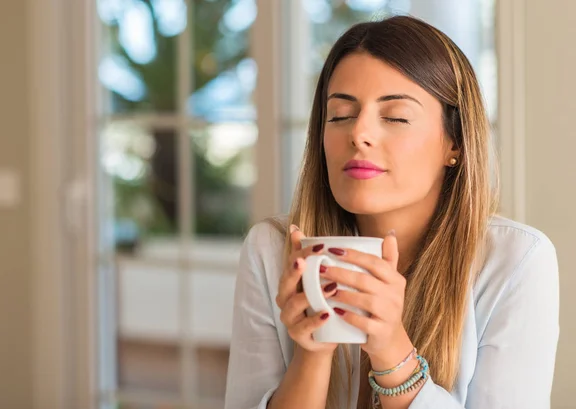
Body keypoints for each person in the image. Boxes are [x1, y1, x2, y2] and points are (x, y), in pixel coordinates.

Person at [224, 15, 559, 409]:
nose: (359, 133)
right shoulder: (271, 251)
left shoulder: (516, 261)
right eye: (340, 115)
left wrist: (393, 354)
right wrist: (312, 353)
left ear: (455, 142)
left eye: (395, 117)